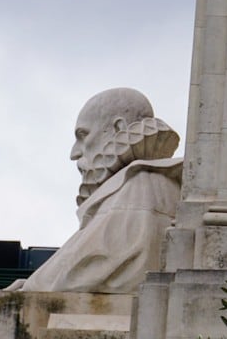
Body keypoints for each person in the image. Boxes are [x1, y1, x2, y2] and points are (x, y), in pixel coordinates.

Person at [11, 88, 182, 294]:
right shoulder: (134, 184)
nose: (74, 153)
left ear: (119, 129)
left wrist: (35, 286)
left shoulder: (141, 184)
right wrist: (35, 282)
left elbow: (96, 263)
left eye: (83, 135)